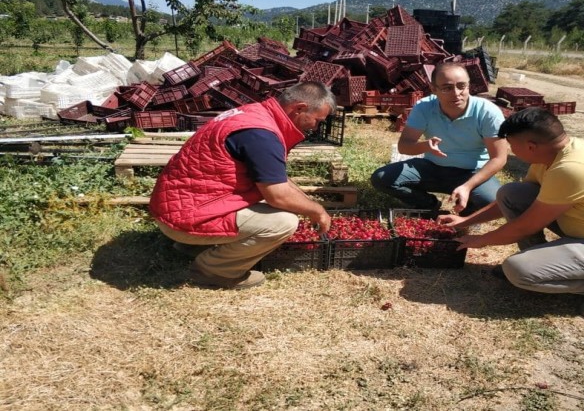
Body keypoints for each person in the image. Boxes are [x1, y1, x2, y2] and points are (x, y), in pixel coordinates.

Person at [440, 107, 584, 320]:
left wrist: (479, 241)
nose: (511, 151)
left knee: (518, 271)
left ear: (531, 146)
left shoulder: (573, 169)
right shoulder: (551, 155)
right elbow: (511, 204)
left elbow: (524, 227)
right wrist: (466, 220)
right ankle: (543, 263)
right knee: (512, 193)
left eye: (512, 145)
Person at [149, 81, 336, 290]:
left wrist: (307, 204)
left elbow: (277, 178)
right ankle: (215, 271)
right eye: (317, 120)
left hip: (182, 205)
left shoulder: (256, 114)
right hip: (185, 216)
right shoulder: (261, 134)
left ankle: (192, 246)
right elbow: (277, 194)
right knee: (284, 222)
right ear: (299, 108)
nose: (315, 127)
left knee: (280, 205)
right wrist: (317, 210)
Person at [370, 62, 508, 215]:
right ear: (434, 89)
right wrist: (425, 146)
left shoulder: (487, 112)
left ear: (469, 86)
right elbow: (404, 146)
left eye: (462, 86)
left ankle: (467, 213)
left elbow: (499, 158)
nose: (456, 93)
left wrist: (467, 186)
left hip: (472, 172)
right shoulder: (424, 107)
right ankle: (428, 204)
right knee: (381, 178)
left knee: (492, 200)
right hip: (432, 167)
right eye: (447, 88)